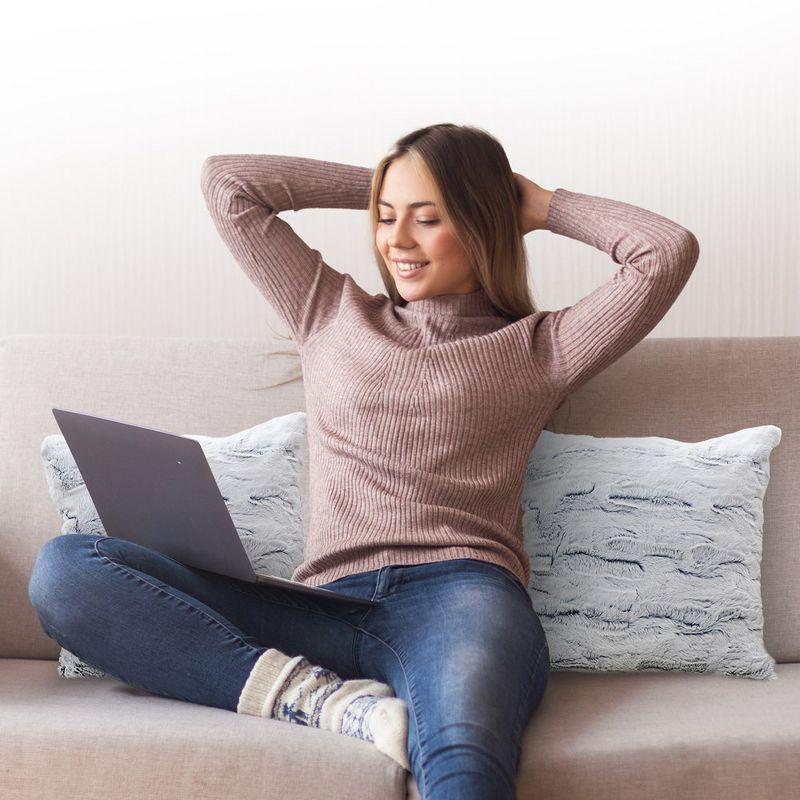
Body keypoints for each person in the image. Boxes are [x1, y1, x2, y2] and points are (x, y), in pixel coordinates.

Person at [28, 122, 699, 799]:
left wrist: (535, 202)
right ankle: (323, 704)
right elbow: (229, 184)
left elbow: (664, 252)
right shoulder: (329, 310)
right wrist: (390, 182)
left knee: (463, 764)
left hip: (460, 599)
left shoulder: (541, 349)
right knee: (67, 571)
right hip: (318, 607)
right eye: (385, 217)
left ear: (482, 222)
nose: (396, 240)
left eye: (429, 218)